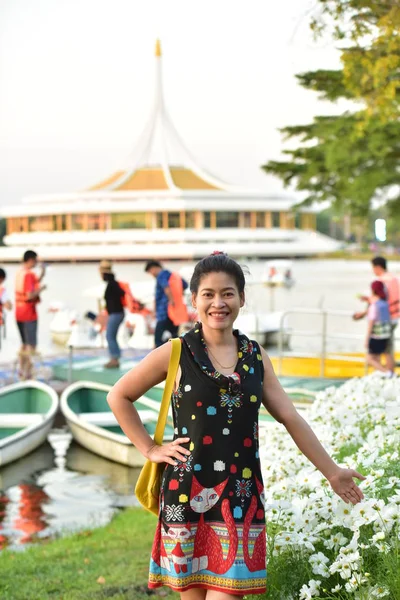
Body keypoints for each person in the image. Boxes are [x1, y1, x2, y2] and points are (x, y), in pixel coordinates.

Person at [108, 252, 365, 599]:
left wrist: (332, 471)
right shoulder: (176, 351)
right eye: (208, 294)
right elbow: (119, 396)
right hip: (186, 495)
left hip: (240, 498)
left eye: (228, 293)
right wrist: (150, 449)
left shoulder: (255, 356)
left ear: (242, 298)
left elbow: (291, 417)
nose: (218, 303)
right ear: (194, 300)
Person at [354, 256, 400, 371]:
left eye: (373, 268)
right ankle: (389, 372)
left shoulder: (380, 282)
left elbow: (378, 303)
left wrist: (364, 311)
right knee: (388, 347)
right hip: (394, 317)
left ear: (378, 267)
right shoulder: (393, 279)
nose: (373, 271)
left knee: (379, 350)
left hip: (383, 320)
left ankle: (386, 373)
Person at [15, 250, 46, 379]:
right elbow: (30, 294)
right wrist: (41, 289)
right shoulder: (28, 274)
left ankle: (22, 370)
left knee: (24, 343)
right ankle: (27, 372)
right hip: (28, 313)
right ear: (31, 260)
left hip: (19, 312)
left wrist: (42, 274)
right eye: (35, 260)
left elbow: (32, 283)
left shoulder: (20, 272)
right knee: (31, 345)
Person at [145, 260, 188, 347]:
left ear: (154, 268)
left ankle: (158, 357)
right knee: (174, 335)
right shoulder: (173, 275)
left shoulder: (161, 275)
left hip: (164, 311)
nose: (151, 274)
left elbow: (166, 287)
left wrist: (171, 300)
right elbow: (185, 285)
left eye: (150, 271)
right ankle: (177, 355)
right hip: (174, 311)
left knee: (158, 338)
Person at [99, 260, 125, 369]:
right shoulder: (113, 284)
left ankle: (114, 358)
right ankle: (115, 357)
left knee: (110, 336)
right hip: (115, 313)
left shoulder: (112, 284)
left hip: (116, 313)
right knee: (111, 336)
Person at [365, 280, 392, 375]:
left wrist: (367, 339)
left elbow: (371, 322)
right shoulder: (385, 303)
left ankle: (387, 373)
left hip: (376, 335)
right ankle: (381, 374)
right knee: (377, 357)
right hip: (385, 335)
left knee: (370, 358)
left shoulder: (374, 305)